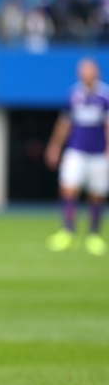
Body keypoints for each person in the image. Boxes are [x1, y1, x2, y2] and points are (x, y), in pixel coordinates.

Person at [44, 58, 109, 256]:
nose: (86, 74)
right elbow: (65, 123)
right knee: (68, 188)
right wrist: (55, 146)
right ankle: (68, 230)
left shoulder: (104, 95)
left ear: (96, 72)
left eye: (89, 70)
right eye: (83, 71)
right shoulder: (73, 94)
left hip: (98, 152)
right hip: (76, 150)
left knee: (97, 193)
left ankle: (93, 234)